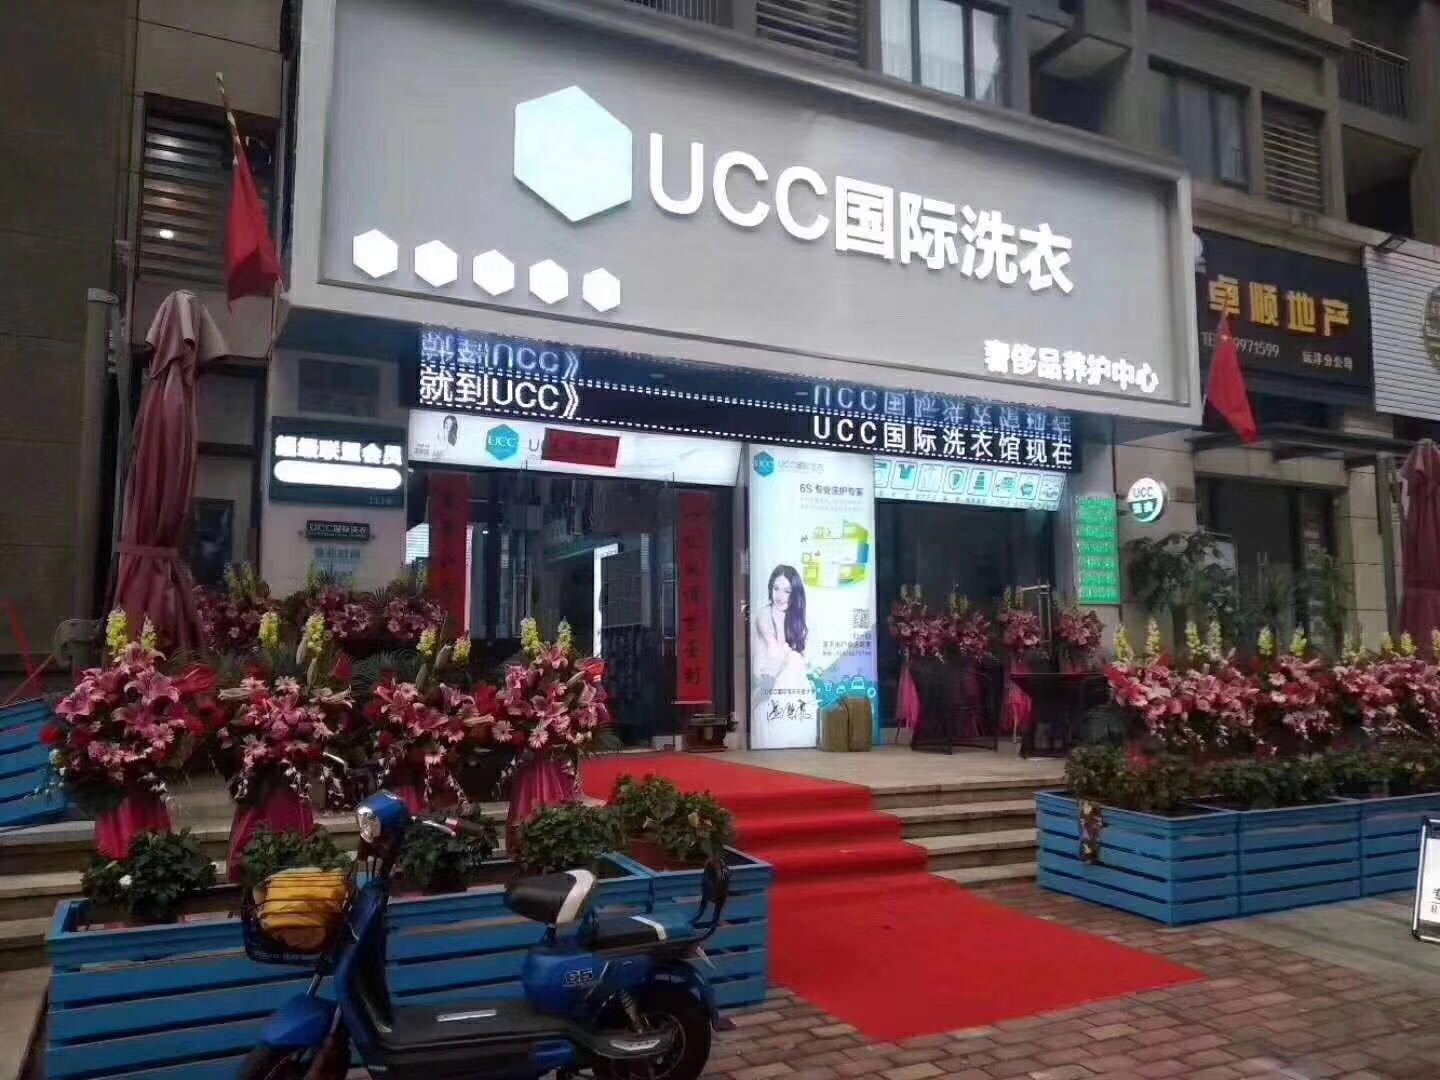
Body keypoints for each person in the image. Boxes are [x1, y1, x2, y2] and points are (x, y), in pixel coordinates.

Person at [751, 565, 816, 747]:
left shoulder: (799, 619)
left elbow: (807, 659)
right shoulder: (764, 615)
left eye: (787, 591)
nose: (780, 596)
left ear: (795, 594)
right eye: (776, 589)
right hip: (768, 684)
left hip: (791, 688)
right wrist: (787, 653)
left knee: (794, 659)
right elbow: (774, 651)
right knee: (791, 658)